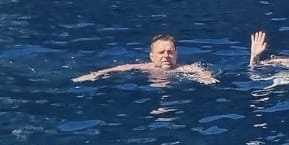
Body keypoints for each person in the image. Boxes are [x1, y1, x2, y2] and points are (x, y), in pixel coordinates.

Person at [74, 33, 217, 84]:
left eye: (170, 52)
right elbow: (119, 68)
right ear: (151, 56)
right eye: (161, 52)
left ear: (176, 54)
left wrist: (206, 78)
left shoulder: (184, 68)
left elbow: (200, 71)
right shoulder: (145, 68)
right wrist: (95, 75)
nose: (166, 56)